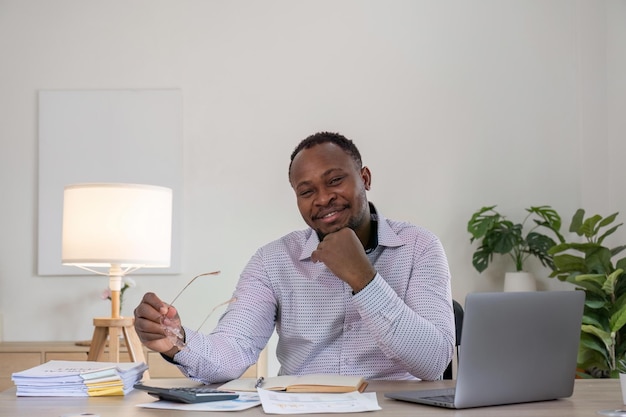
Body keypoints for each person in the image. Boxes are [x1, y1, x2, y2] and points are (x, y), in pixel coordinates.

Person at [134, 131, 455, 382]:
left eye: (335, 181)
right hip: (301, 407)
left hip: (392, 408)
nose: (323, 198)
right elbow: (233, 351)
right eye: (306, 191)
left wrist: (364, 279)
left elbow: (433, 363)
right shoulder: (272, 260)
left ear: (365, 178)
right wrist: (175, 341)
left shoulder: (419, 247)